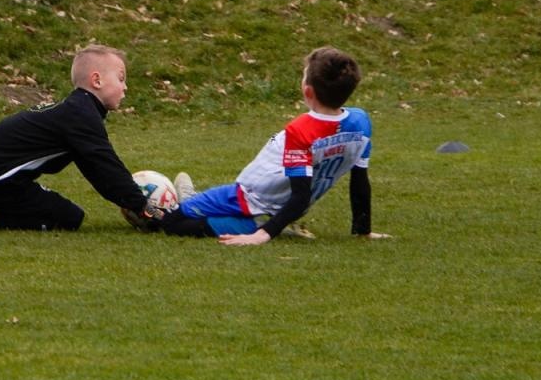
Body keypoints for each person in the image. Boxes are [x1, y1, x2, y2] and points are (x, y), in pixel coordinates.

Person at [156, 47, 393, 246]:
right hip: (281, 202)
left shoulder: (301, 130)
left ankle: (249, 221)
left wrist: (261, 235)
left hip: (247, 196)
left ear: (307, 90)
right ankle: (247, 216)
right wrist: (363, 230)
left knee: (170, 221)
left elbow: (300, 195)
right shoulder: (361, 122)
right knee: (199, 209)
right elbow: (360, 180)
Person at [0, 45, 159, 232]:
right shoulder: (80, 116)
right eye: (121, 79)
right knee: (67, 218)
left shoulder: (77, 110)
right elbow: (106, 167)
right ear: (97, 81)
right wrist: (143, 206)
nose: (125, 87)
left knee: (68, 214)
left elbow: (97, 171)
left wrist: (131, 201)